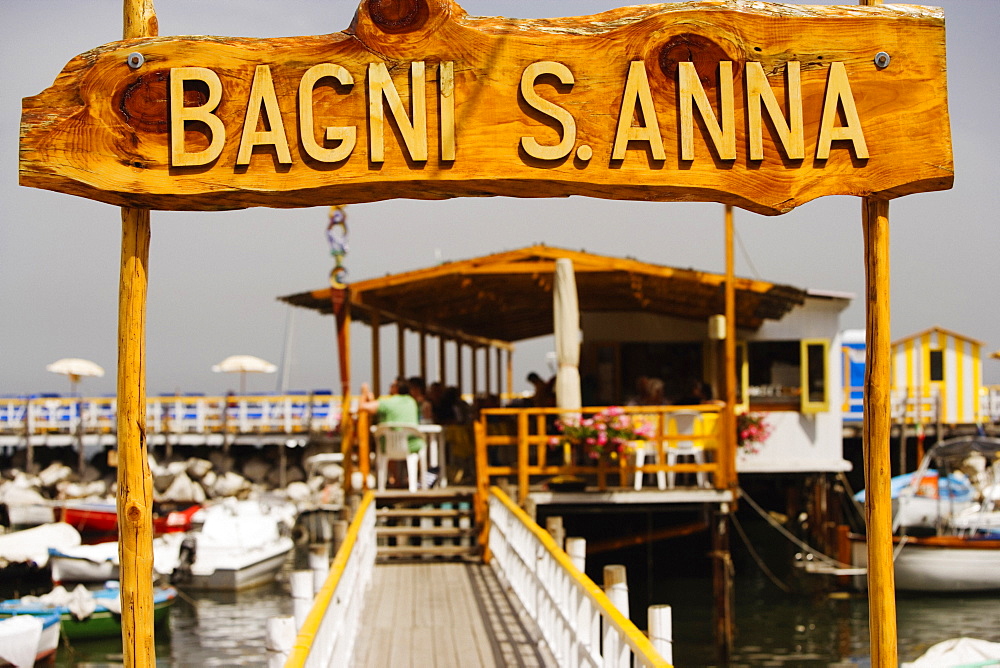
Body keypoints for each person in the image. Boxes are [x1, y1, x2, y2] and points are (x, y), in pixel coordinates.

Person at [359, 378, 423, 487]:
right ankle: (415, 479)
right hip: (412, 445)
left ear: (396, 388)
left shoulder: (388, 402)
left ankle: (395, 479)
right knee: (417, 446)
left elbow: (362, 407)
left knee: (386, 444)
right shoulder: (412, 402)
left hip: (390, 447)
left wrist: (364, 394)